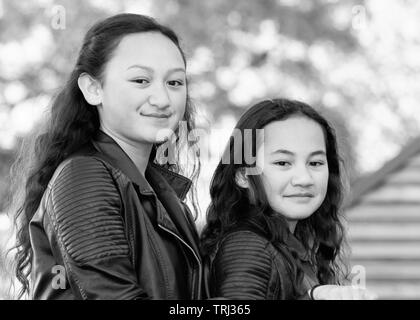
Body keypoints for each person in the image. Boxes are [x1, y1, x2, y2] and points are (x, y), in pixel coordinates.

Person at [9, 13, 203, 300]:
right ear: (93, 89)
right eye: (140, 80)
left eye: (175, 83)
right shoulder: (83, 176)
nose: (163, 99)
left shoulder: (166, 197)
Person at [200, 98, 376, 300]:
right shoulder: (248, 247)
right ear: (243, 175)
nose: (304, 178)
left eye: (315, 162)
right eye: (283, 162)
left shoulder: (290, 246)